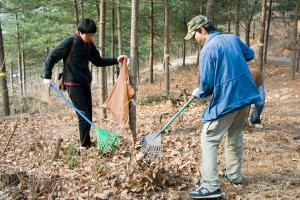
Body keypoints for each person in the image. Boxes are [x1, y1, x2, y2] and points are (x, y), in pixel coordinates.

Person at [184, 15, 261, 199]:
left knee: (209, 138)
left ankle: (210, 186)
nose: (195, 40)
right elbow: (249, 54)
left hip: (228, 99)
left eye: (194, 35)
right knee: (235, 135)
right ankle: (234, 175)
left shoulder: (208, 49)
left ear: (202, 30)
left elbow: (207, 84)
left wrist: (199, 92)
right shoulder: (233, 38)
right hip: (245, 96)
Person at [43, 18, 127, 148]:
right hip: (72, 83)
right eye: (88, 35)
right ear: (80, 32)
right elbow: (51, 57)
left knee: (88, 116)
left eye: (92, 35)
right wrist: (47, 76)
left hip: (84, 83)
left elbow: (98, 61)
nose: (90, 38)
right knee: (83, 116)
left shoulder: (89, 44)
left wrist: (116, 60)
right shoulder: (70, 42)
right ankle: (84, 145)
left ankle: (86, 142)